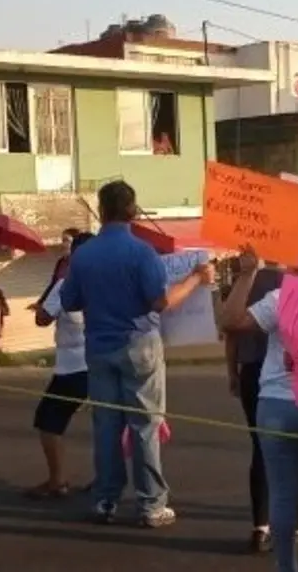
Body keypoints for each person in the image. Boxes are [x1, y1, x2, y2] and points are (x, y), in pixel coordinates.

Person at [60, 180, 214, 528]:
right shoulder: (142, 252)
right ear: (133, 210)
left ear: (101, 211)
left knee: (106, 426)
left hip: (98, 346)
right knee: (145, 425)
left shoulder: (83, 255)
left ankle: (105, 499)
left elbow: (69, 301)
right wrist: (194, 280)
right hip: (139, 343)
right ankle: (151, 504)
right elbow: (160, 301)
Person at [221, 229, 298, 572]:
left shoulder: (281, 298)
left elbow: (230, 321)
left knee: (282, 495)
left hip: (277, 402)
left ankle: (287, 567)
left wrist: (247, 274)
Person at [223, 260, 298, 553]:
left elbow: (230, 331)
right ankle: (292, 525)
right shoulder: (293, 281)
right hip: (286, 373)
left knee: (260, 446)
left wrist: (232, 371)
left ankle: (261, 526)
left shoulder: (246, 279)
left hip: (251, 370)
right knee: (296, 451)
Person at [26, 231, 93, 499]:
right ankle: (106, 479)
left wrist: (44, 304)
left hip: (73, 367)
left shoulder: (65, 284)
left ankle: (57, 480)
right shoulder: (109, 282)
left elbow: (43, 319)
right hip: (103, 361)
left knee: (48, 421)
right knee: (107, 423)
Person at [28, 227, 80, 311]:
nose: (63, 244)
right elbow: (53, 284)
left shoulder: (81, 262)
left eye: (66, 240)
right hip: (60, 309)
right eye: (63, 241)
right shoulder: (61, 262)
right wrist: (40, 303)